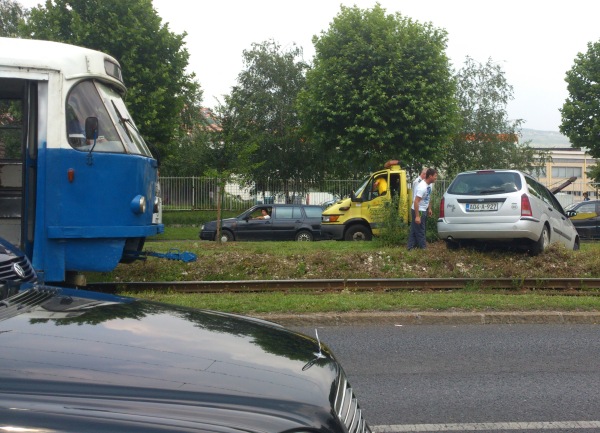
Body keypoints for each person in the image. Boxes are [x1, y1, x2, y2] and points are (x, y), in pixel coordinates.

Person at [408, 168, 437, 250]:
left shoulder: (429, 185)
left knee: (415, 229)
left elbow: (428, 197)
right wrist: (417, 216)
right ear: (430, 176)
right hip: (419, 210)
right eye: (435, 176)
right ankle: (423, 248)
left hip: (423, 209)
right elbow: (416, 201)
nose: (436, 178)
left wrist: (429, 208)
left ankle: (410, 248)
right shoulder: (422, 187)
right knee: (421, 230)